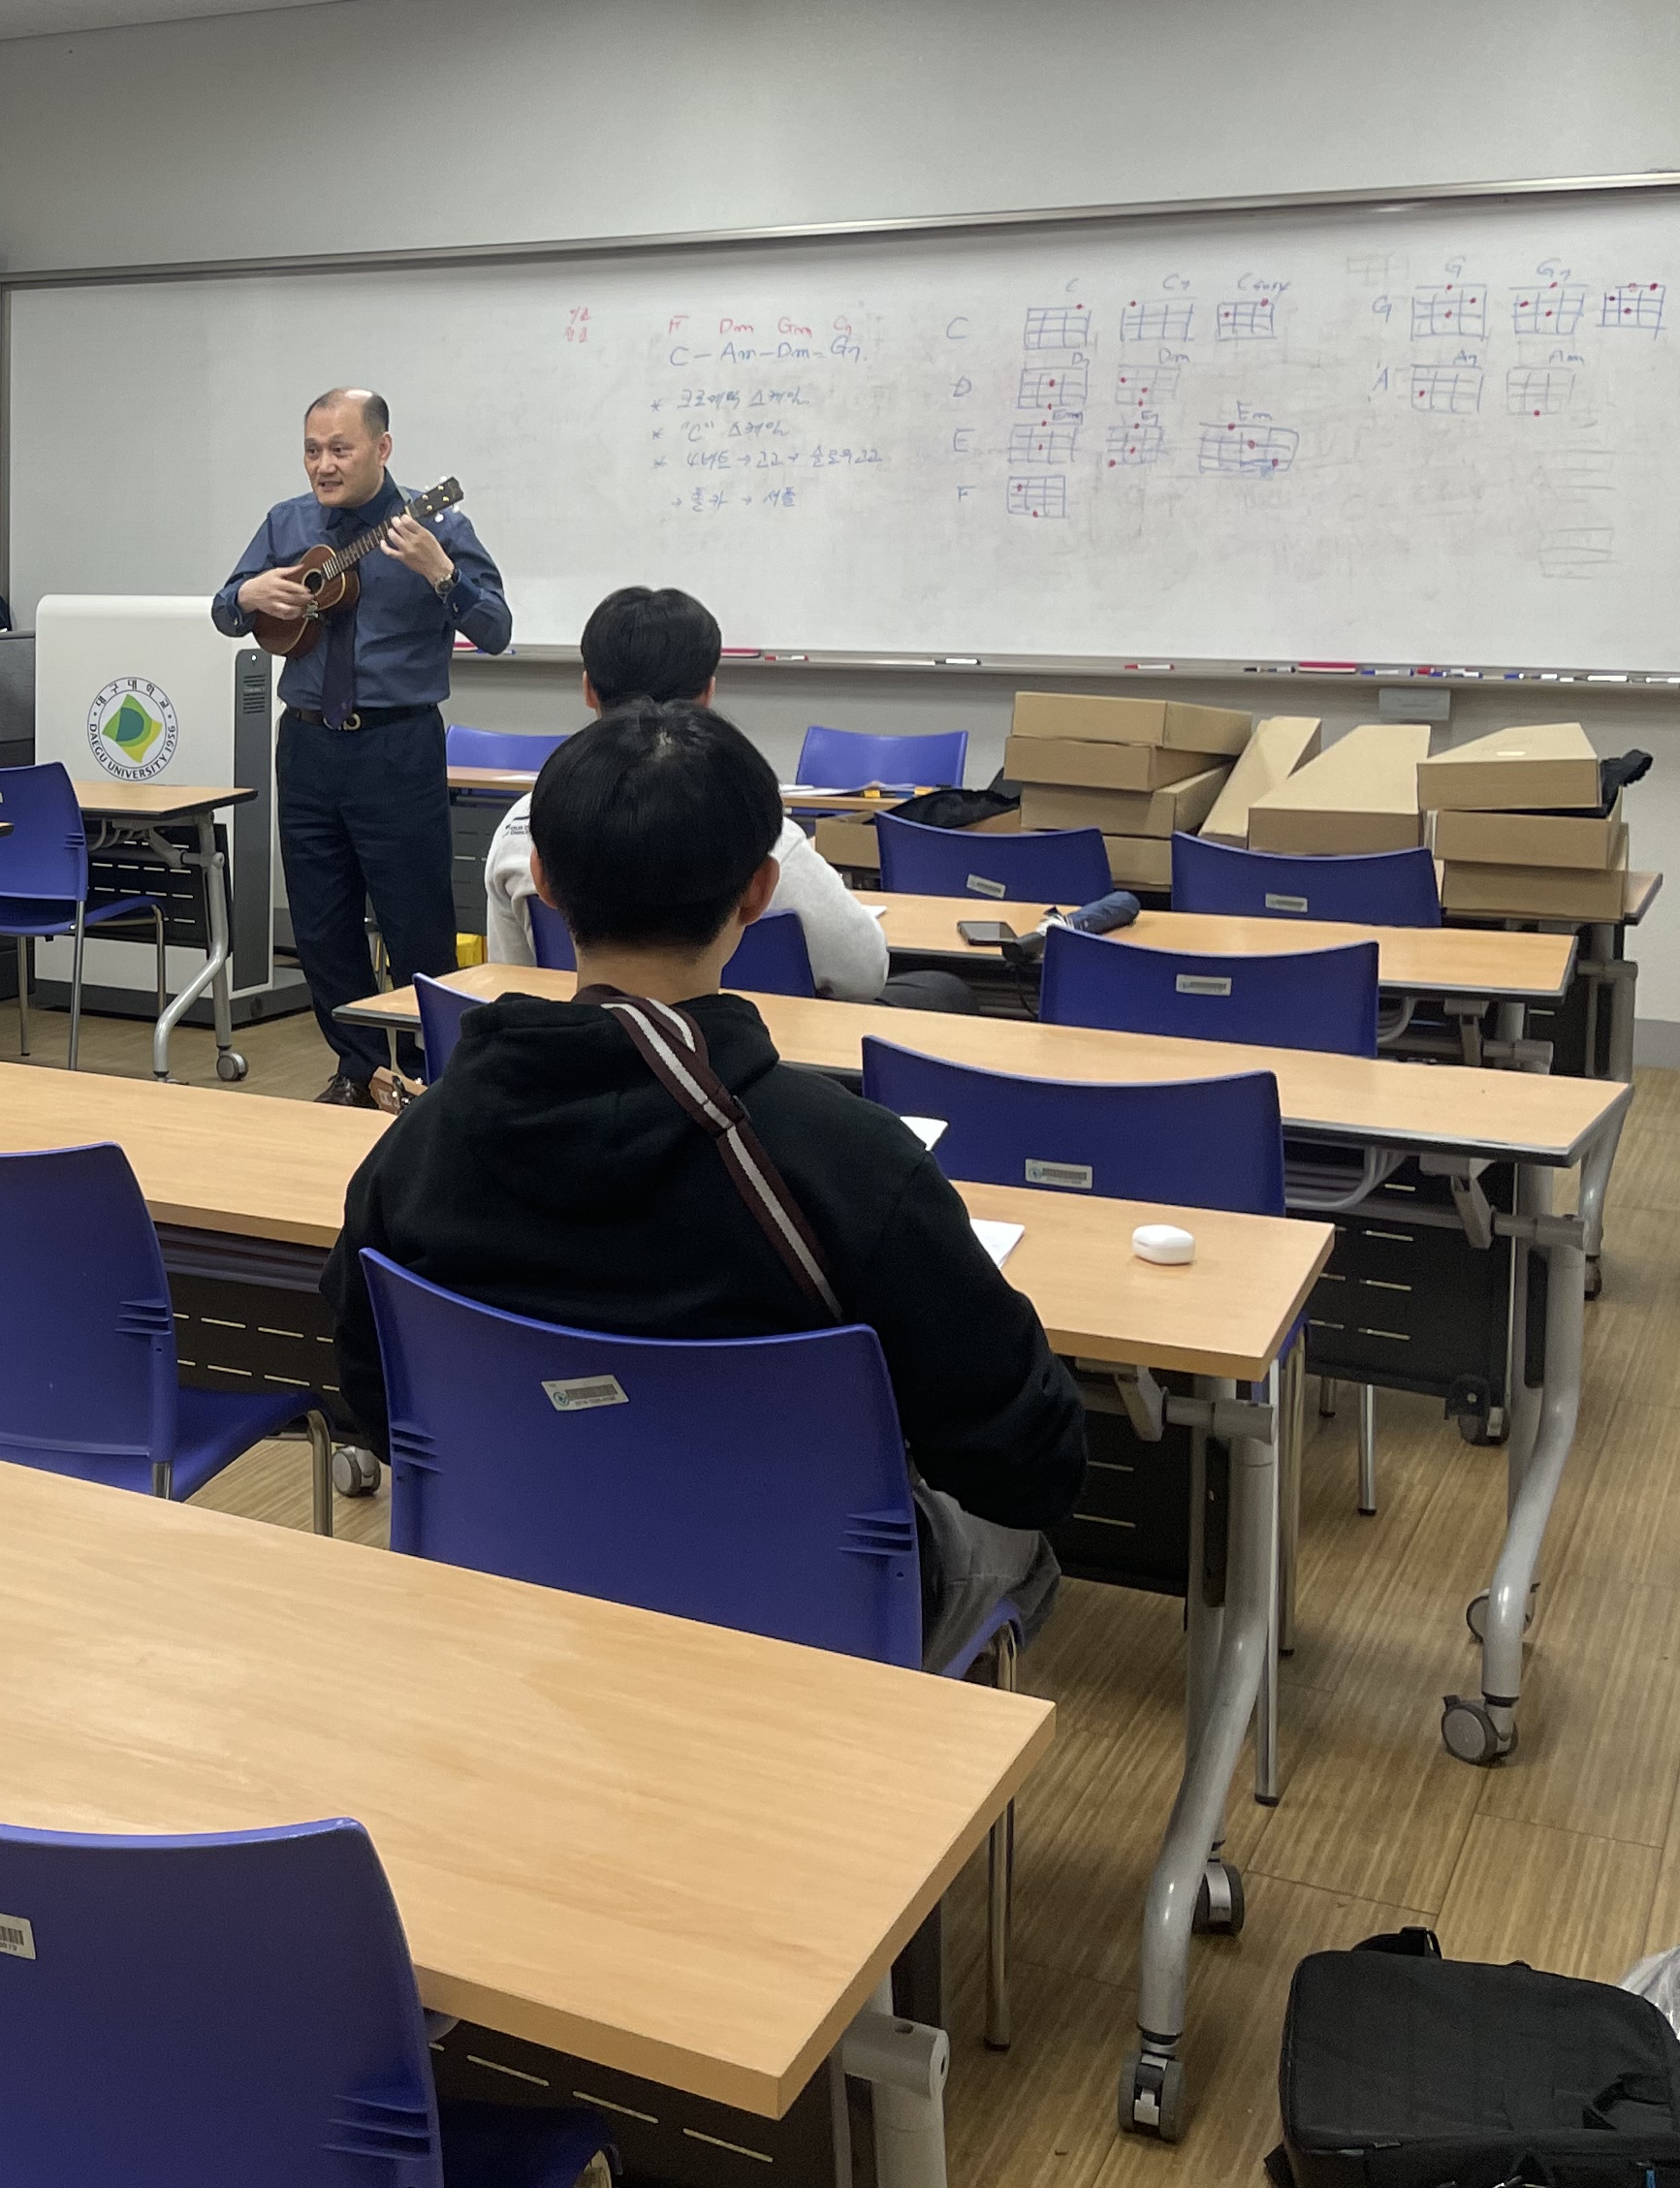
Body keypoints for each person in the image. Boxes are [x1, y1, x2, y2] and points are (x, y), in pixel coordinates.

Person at [327, 704, 1084, 1664]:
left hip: (517, 1569)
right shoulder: (850, 1160)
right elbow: (1028, 1466)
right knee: (1020, 1544)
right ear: (760, 891)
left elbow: (373, 1396)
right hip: (802, 1606)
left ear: (543, 882)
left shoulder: (417, 1149)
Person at [213, 388, 510, 1103]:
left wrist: (441, 573)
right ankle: (358, 1070)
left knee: (416, 925)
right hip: (307, 744)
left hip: (395, 745)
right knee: (321, 926)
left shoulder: (436, 524)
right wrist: (252, 595)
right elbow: (225, 609)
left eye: (340, 450)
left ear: (382, 448)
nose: (324, 464)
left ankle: (438, 1079)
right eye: (312, 450)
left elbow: (496, 630)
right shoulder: (287, 522)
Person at [483, 586, 975, 1012]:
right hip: (753, 1052)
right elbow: (862, 972)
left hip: (585, 1047)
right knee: (941, 989)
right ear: (708, 692)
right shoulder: (755, 826)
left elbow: (512, 981)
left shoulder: (525, 826)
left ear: (588, 689)